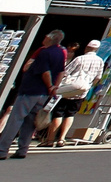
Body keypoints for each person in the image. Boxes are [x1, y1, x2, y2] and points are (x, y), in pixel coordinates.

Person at [0, 31, 66, 159]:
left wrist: (50, 86)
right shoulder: (60, 53)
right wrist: (54, 88)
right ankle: (23, 149)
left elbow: (45, 72)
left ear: (49, 38)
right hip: (43, 94)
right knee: (30, 122)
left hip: (31, 90)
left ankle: (2, 150)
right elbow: (61, 72)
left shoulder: (44, 52)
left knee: (16, 119)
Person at [41, 39, 103, 147]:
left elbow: (65, 72)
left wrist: (56, 86)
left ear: (87, 48)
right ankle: (62, 139)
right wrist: (89, 86)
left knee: (58, 113)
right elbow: (98, 78)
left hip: (68, 89)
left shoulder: (80, 59)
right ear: (97, 50)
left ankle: (50, 140)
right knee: (70, 114)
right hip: (82, 91)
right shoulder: (100, 61)